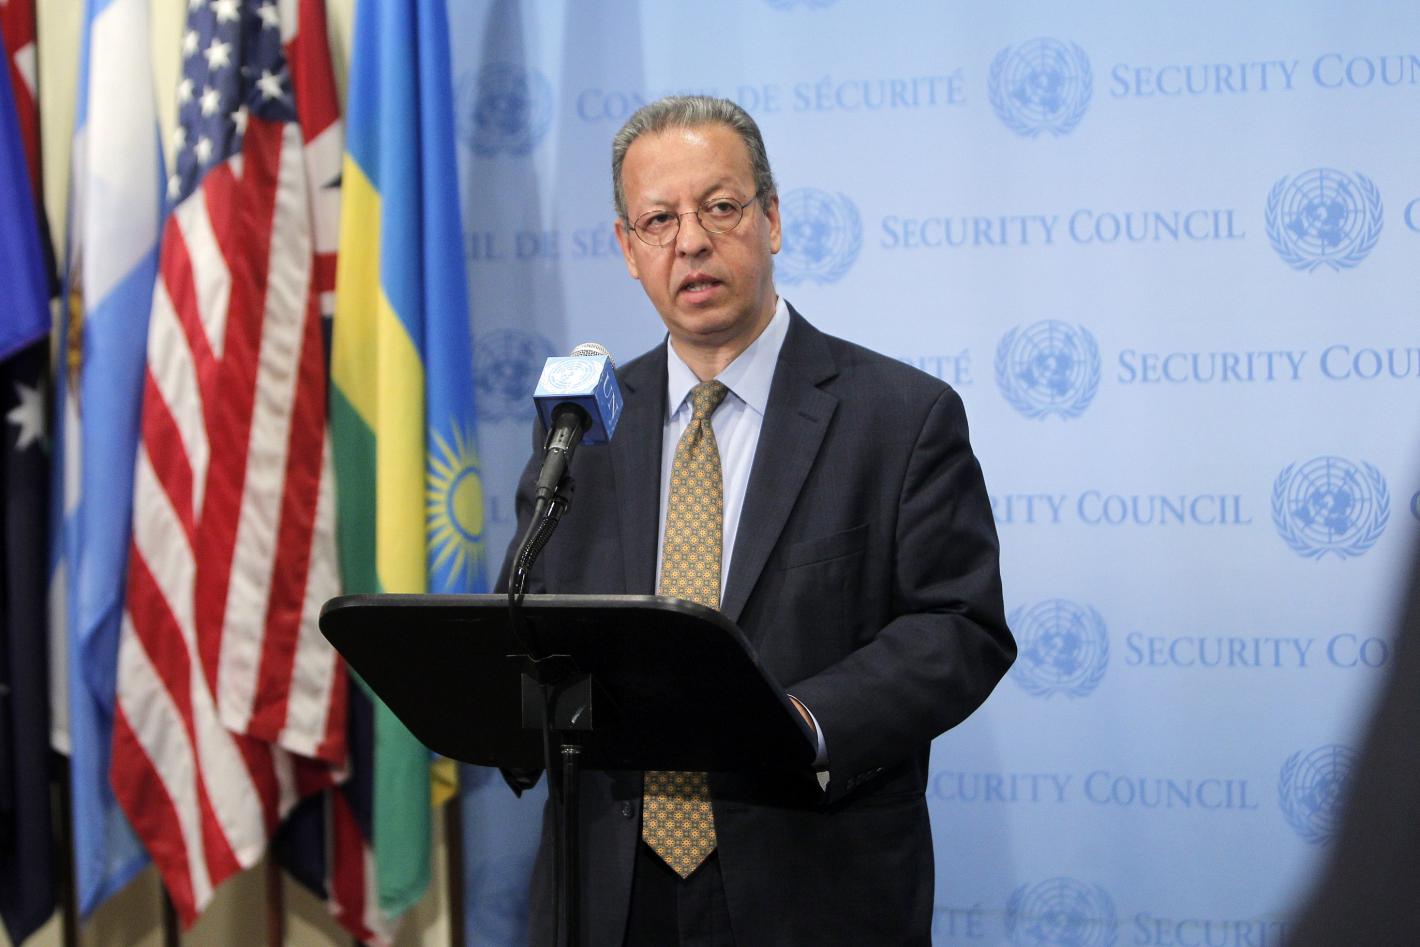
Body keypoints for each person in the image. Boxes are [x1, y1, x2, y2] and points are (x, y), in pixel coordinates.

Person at [500, 95, 1014, 946]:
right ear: (628, 250)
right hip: (609, 891)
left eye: (720, 207)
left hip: (812, 879)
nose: (691, 241)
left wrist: (806, 721)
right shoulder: (582, 426)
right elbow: (536, 617)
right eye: (658, 219)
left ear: (771, 219)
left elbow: (960, 627)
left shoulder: (899, 415)